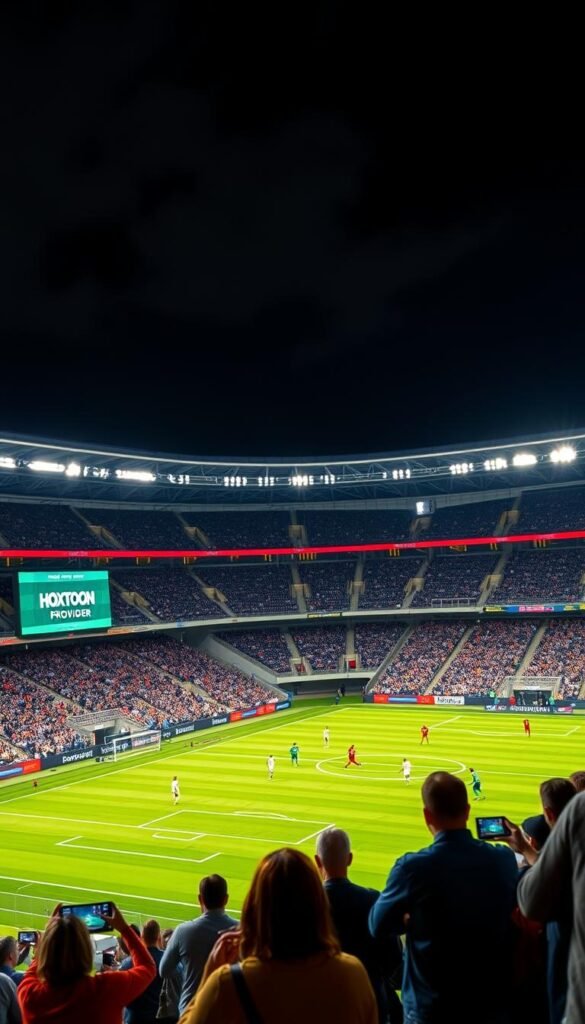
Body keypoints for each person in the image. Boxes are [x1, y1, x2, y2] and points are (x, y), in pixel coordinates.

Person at [370, 772, 518, 1024]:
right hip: (490, 1005)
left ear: (427, 815)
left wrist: (409, 919)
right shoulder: (503, 860)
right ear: (468, 810)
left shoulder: (412, 869)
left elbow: (377, 925)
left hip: (431, 1009)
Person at [179, 848, 378, 1024]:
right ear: (317, 903)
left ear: (256, 906)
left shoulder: (228, 984)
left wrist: (208, 976)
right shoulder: (353, 975)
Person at [506, 778, 577, 1024]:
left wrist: (526, 853)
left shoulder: (565, 859)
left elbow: (531, 902)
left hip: (568, 977)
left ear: (548, 812)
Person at [315, 828, 403, 1024]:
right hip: (369, 1002)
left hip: (321, 1006)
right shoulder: (373, 900)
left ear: (317, 861)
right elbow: (393, 958)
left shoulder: (303, 906)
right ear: (349, 859)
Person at [17, 903, 156, 1024]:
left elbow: (37, 964)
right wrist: (124, 928)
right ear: (86, 949)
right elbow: (147, 967)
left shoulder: (28, 995)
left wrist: (51, 935)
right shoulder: (107, 988)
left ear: (46, 948)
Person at [159, 875, 237, 1019]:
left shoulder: (183, 931)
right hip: (229, 1013)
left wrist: (187, 966)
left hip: (192, 1012)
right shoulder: (241, 930)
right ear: (226, 899)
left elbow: (164, 970)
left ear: (200, 899)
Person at [119, 918, 164, 1024]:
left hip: (134, 1018)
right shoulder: (166, 959)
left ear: (142, 937)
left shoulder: (127, 963)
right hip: (159, 1017)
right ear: (158, 937)